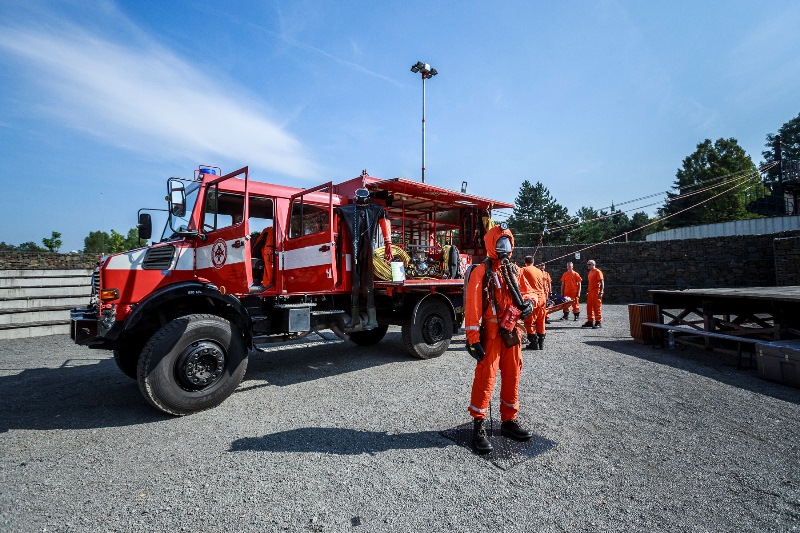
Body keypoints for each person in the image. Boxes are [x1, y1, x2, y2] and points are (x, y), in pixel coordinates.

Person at [465, 223, 534, 453]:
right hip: (492, 334)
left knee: (513, 374)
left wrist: (530, 304)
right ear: (491, 244)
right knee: (486, 378)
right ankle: (478, 425)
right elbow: (473, 307)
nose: (504, 246)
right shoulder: (481, 271)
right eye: (500, 242)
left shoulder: (514, 270)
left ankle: (508, 421)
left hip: (512, 330)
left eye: (507, 242)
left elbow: (529, 292)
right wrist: (473, 339)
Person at [520, 256, 547, 351]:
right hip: (542, 297)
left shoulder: (523, 270)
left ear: (524, 262)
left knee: (529, 321)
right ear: (533, 261)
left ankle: (534, 343)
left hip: (533, 298)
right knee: (541, 320)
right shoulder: (540, 271)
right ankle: (541, 343)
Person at [582, 259, 605, 329]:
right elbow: (590, 283)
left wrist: (601, 292)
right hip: (590, 292)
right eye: (587, 264)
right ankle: (590, 321)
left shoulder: (598, 272)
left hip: (596, 292)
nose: (588, 266)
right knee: (589, 307)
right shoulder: (590, 272)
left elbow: (602, 282)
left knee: (596, 307)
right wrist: (588, 291)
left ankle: (598, 322)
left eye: (589, 264)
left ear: (593, 264)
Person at [251, 225, 275, 290]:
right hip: (268, 251)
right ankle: (267, 284)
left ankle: (264, 283)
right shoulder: (272, 229)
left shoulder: (268, 229)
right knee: (269, 268)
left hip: (265, 250)